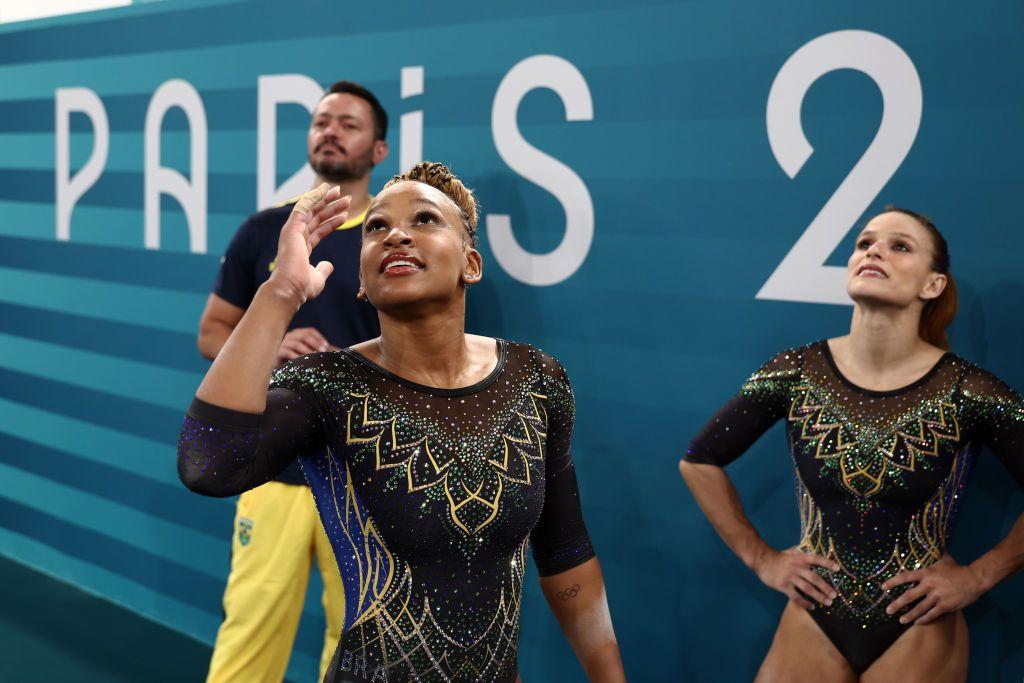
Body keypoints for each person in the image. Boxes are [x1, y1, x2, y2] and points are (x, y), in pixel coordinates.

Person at [178, 162, 626, 682]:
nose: (395, 235)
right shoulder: (329, 386)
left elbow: (566, 554)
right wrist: (280, 293)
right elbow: (207, 464)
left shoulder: (535, 379)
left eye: (425, 220)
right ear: (363, 282)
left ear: (471, 264)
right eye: (376, 227)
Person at [679, 208, 1024, 682]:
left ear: (933, 285)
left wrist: (979, 576)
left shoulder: (969, 392)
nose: (873, 251)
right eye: (864, 243)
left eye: (899, 246)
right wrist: (762, 559)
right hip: (814, 616)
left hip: (918, 625)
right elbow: (699, 461)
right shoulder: (797, 372)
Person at [195, 80, 388, 682]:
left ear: (378, 150)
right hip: (271, 469)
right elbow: (211, 334)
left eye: (348, 123)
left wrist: (347, 365)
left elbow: (427, 355)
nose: (330, 130)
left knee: (359, 643)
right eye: (321, 120)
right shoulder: (265, 233)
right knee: (250, 631)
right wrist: (272, 347)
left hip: (362, 476)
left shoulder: (395, 238)